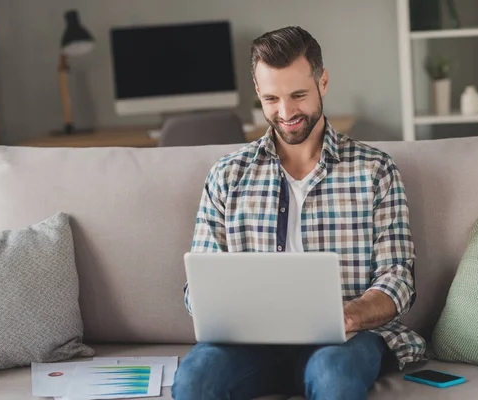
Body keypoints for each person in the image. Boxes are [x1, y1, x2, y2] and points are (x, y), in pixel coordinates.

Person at [172, 26, 426, 400]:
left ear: (323, 82)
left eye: (298, 95)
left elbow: (399, 278)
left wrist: (350, 314)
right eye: (272, 98)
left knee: (332, 378)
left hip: (346, 341)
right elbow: (199, 284)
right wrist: (214, 303)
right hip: (250, 344)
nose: (286, 112)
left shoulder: (375, 170)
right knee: (194, 381)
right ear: (257, 91)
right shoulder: (227, 175)